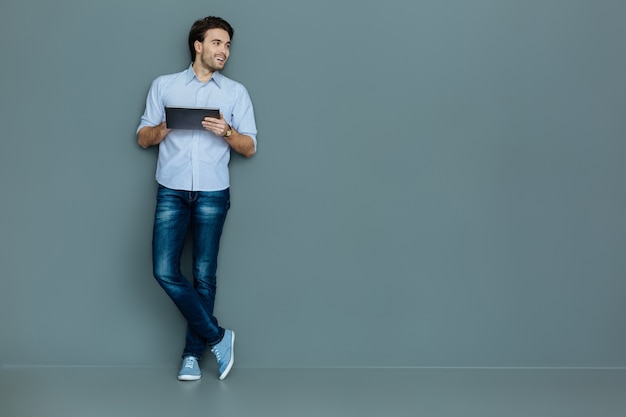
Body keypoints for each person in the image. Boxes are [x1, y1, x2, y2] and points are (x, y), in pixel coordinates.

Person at [136, 16, 257, 381]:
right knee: (164, 270)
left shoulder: (235, 93)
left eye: (228, 46)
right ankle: (218, 337)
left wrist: (228, 132)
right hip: (171, 189)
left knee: (204, 275)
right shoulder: (165, 86)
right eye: (218, 43)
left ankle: (192, 355)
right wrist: (164, 127)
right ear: (198, 45)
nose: (224, 51)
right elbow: (143, 137)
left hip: (212, 192)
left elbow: (249, 147)